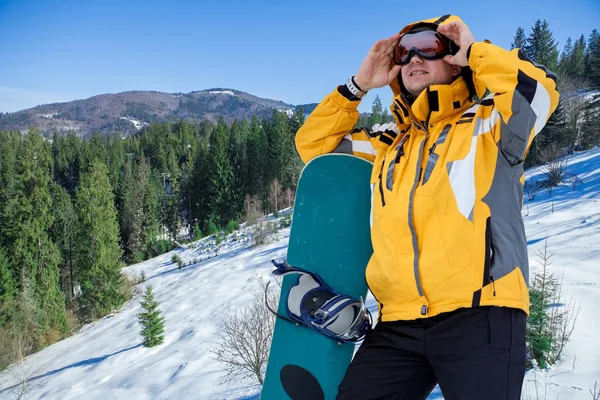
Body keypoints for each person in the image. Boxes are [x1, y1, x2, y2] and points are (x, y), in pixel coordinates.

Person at [294, 14, 560, 400]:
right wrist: (358, 85)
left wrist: (475, 52)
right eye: (404, 52)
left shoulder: (492, 125)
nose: (414, 57)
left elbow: (538, 93)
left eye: (430, 47)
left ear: (453, 58)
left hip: (481, 313)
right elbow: (316, 152)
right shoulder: (387, 143)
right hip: (398, 321)